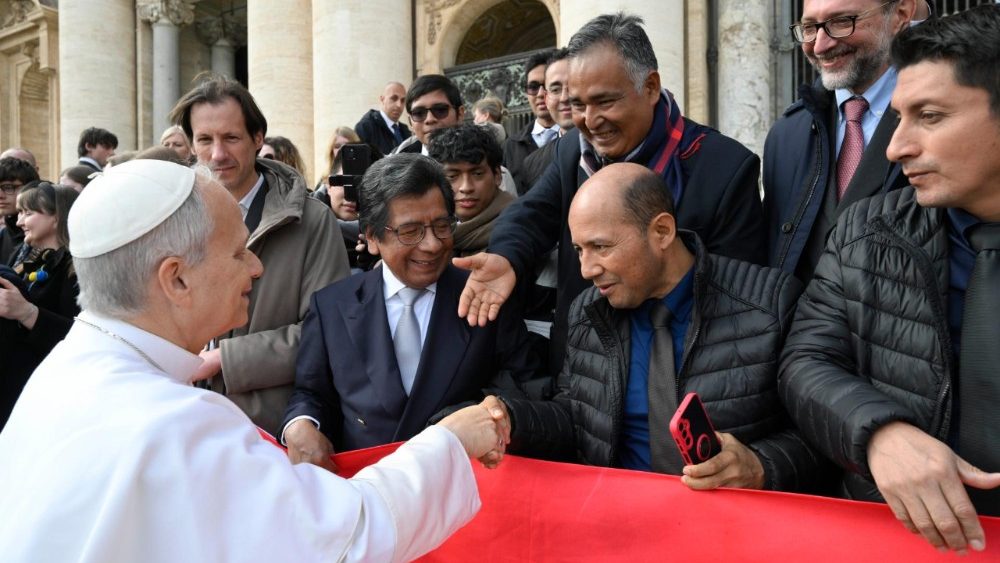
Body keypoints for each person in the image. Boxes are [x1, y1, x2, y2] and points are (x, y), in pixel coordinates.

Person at [0, 159, 510, 562]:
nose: (257, 267)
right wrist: (452, 440)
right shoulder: (177, 425)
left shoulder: (64, 371)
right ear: (176, 278)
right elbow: (344, 539)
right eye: (238, 252)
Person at [779, 6, 1000, 554]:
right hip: (893, 538)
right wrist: (878, 431)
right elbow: (804, 361)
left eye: (930, 116)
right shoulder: (866, 231)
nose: (897, 147)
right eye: (899, 117)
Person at [457, 13, 765, 373]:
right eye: (578, 105)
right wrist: (505, 257)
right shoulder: (572, 150)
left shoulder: (724, 167)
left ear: (650, 87)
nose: (589, 121)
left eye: (604, 102)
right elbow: (531, 214)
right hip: (585, 367)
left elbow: (738, 297)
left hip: (683, 368)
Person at [490, 163, 825, 492]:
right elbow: (577, 419)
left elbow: (823, 433)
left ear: (662, 231)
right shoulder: (587, 312)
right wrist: (508, 419)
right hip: (618, 516)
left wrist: (762, 466)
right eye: (579, 250)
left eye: (600, 247)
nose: (586, 270)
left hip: (733, 521)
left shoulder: (769, 307)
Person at [281, 153, 538, 464]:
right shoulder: (332, 306)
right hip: (366, 481)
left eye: (442, 226)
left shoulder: (484, 296)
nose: (432, 244)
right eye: (410, 231)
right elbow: (311, 393)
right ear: (372, 237)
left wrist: (487, 415)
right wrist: (300, 425)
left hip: (462, 479)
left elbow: (527, 391)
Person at [169, 74, 349, 436]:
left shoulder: (312, 221)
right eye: (205, 140)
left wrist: (225, 359)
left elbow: (330, 331)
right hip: (185, 422)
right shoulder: (172, 220)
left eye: (231, 138)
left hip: (273, 430)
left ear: (257, 138)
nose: (218, 154)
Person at [763, 0, 917, 283]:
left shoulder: (943, 124)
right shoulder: (785, 136)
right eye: (810, 28)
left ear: (900, 14)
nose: (820, 46)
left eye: (842, 21)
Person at [0, 182, 79, 431]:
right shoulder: (28, 259)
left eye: (28, 213)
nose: (20, 221)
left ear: (57, 217)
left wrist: (28, 313)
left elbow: (84, 335)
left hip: (56, 391)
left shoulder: (77, 268)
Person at [427, 124, 513, 257]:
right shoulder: (436, 230)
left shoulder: (518, 229)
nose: (466, 187)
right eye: (452, 176)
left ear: (497, 175)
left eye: (477, 174)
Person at [504, 49, 559, 194]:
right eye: (533, 87)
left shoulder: (580, 137)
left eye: (547, 85)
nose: (540, 94)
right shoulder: (511, 146)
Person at [520, 48, 575, 193]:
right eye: (555, 89)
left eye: (572, 86)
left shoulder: (609, 145)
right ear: (547, 98)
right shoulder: (531, 164)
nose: (564, 98)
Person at [392, 74, 466, 156]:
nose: (430, 119)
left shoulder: (477, 157)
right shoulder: (396, 160)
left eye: (440, 110)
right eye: (419, 113)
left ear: (460, 114)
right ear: (410, 121)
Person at [355, 81, 411, 156]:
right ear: (382, 99)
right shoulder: (365, 127)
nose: (399, 105)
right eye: (394, 98)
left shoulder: (405, 130)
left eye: (403, 100)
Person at [0, 157, 38, 264]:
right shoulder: (3, 235)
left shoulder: (42, 234)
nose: (0, 195)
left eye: (8, 187)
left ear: (30, 187)